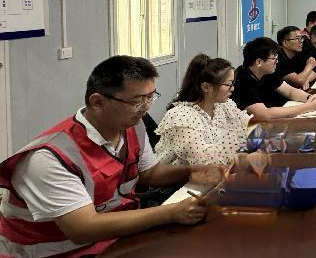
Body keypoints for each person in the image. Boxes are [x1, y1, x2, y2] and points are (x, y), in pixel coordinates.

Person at [0, 56, 223, 257]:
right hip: (59, 251)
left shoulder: (131, 126)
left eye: (150, 97)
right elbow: (83, 228)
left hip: (115, 239)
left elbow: (149, 172)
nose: (145, 108)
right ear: (97, 102)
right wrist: (170, 213)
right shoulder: (47, 158)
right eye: (136, 101)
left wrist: (190, 171)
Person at [155, 54, 251, 166]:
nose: (232, 89)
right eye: (229, 84)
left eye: (233, 84)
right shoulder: (181, 117)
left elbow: (250, 127)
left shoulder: (225, 106)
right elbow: (203, 161)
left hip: (215, 172)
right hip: (182, 176)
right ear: (206, 87)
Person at [231, 37, 316, 121]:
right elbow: (263, 114)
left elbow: (290, 91)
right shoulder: (241, 80)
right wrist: (307, 107)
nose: (277, 62)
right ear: (259, 62)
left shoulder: (267, 72)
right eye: (274, 59)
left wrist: (310, 97)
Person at [269, 25, 316, 91]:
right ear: (285, 42)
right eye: (297, 39)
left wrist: (306, 80)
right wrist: (309, 66)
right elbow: (298, 81)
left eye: (301, 38)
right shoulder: (278, 58)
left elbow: (313, 73)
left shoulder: (297, 54)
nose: (301, 41)